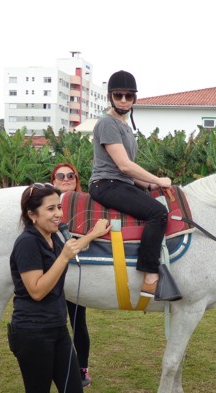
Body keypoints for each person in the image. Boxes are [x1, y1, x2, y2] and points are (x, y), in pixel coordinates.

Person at [8, 182, 111, 393]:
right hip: (31, 333)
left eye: (59, 207)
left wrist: (93, 233)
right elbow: (37, 290)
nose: (58, 214)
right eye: (50, 209)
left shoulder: (54, 237)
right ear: (32, 215)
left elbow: (73, 246)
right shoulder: (27, 243)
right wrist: (65, 257)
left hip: (56, 330)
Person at [88, 70, 172, 298]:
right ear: (110, 97)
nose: (124, 100)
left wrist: (147, 185)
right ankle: (150, 274)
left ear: (134, 98)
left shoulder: (124, 126)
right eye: (118, 95)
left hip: (121, 182)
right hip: (106, 184)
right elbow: (124, 166)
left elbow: (125, 171)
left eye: (128, 96)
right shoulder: (107, 123)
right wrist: (157, 179)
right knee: (158, 213)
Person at [50, 162, 91, 387]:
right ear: (53, 180)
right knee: (54, 322)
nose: (66, 179)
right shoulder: (45, 206)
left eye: (71, 176)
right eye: (60, 175)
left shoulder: (84, 205)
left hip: (73, 273)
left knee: (78, 322)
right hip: (49, 273)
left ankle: (82, 368)